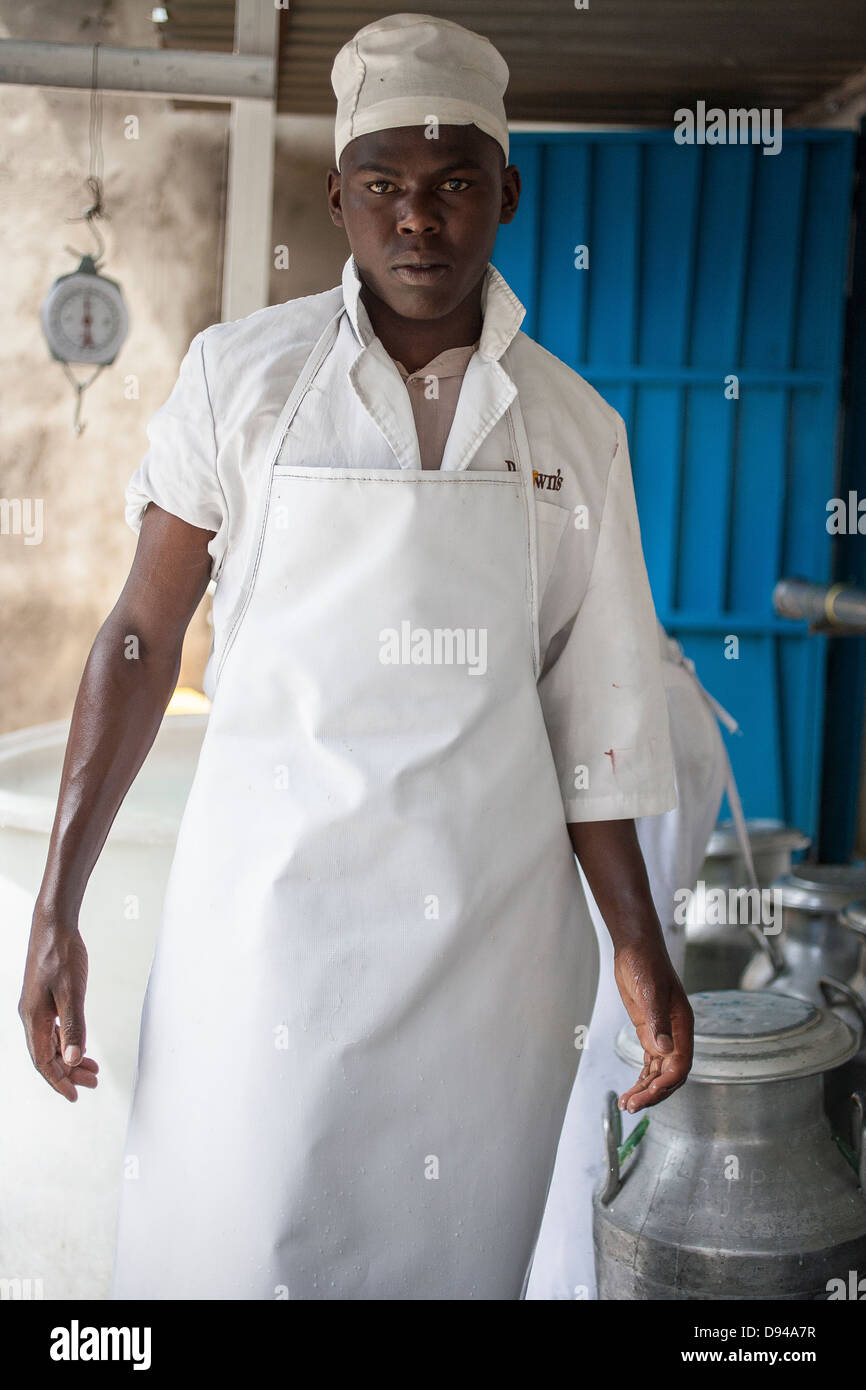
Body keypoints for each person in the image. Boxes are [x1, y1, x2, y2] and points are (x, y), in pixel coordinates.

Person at [18, 13, 692, 1301]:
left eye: (450, 186)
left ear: (507, 188)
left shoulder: (570, 430)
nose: (418, 220)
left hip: (482, 957)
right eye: (383, 186)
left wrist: (637, 948)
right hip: (265, 934)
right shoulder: (243, 382)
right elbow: (142, 637)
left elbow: (590, 715)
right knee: (233, 1247)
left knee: (445, 1263)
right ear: (337, 197)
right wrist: (58, 903)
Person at [526, 621, 729, 1299]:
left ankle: (583, 1280)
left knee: (610, 1043)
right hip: (638, 713)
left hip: (627, 728)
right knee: (609, 1022)